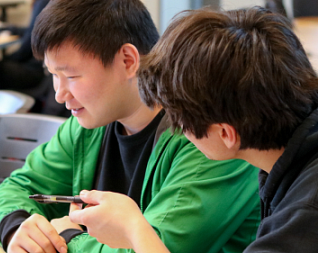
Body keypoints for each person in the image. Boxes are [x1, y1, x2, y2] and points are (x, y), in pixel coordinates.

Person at [0, 1, 261, 253]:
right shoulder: (89, 123)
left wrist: (68, 237)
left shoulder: (207, 137)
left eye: (71, 75)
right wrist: (15, 229)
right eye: (53, 75)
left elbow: (156, 247)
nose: (59, 94)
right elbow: (20, 185)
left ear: (128, 61)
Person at [71, 6, 318, 252]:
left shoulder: (304, 214)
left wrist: (134, 229)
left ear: (225, 134)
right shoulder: (291, 160)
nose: (177, 129)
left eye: (180, 121)